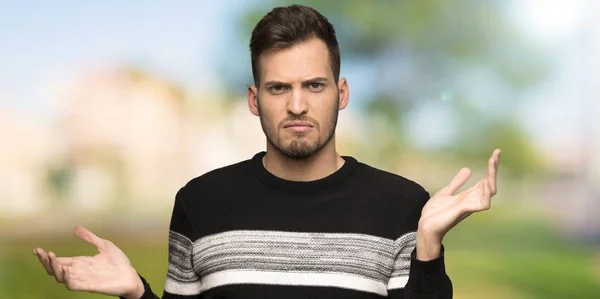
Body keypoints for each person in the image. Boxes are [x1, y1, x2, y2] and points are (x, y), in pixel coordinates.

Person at [33, 4, 501, 299]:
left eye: (313, 85)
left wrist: (428, 247)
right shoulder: (199, 203)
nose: (296, 104)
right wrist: (137, 293)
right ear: (255, 100)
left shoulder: (402, 206)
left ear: (341, 93)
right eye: (279, 87)